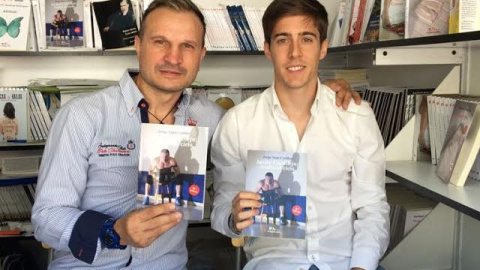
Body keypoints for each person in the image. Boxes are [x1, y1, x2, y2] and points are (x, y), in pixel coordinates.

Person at [32, 0, 360, 268]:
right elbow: (46, 217)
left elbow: (270, 134)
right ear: (138, 45)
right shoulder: (82, 116)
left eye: (187, 46)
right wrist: (114, 231)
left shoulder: (211, 119)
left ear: (201, 56)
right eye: (161, 42)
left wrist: (321, 92)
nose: (173, 58)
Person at [210, 0, 390, 270]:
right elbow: (223, 206)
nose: (295, 53)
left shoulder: (356, 116)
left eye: (306, 39)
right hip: (273, 263)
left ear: (323, 47)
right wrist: (234, 219)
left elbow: (373, 207)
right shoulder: (237, 124)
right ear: (268, 50)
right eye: (283, 40)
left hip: (346, 262)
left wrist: (361, 267)